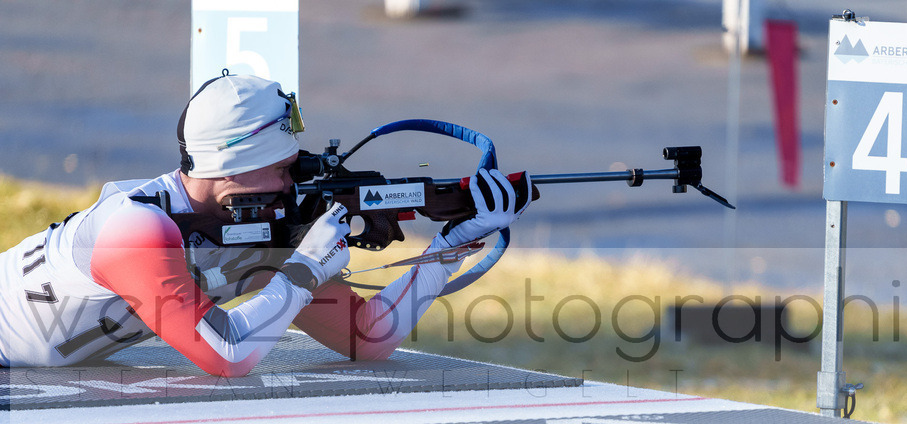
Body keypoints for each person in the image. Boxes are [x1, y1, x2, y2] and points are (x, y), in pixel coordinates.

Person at [0, 74, 530, 376]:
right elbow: (225, 355)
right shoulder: (136, 229)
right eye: (281, 167)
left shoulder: (256, 229)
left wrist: (453, 243)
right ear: (231, 169)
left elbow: (368, 335)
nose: (290, 181)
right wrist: (302, 272)